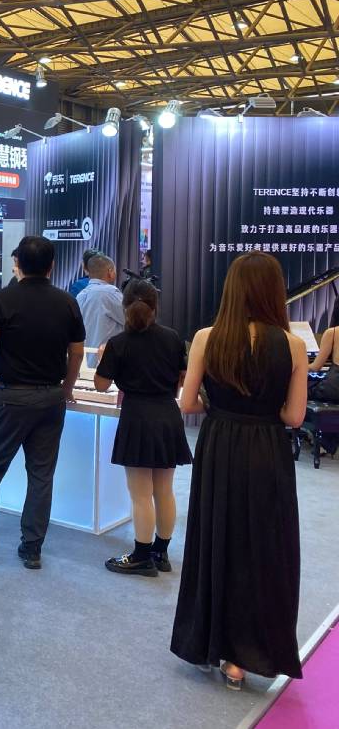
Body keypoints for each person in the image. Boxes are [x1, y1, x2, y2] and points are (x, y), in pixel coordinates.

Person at [171, 252, 308, 688]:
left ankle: (212, 644)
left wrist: (221, 407)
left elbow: (187, 403)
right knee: (264, 546)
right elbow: (294, 417)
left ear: (231, 289)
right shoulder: (292, 345)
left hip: (220, 446)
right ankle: (247, 653)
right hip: (267, 449)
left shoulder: (206, 338)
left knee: (216, 538)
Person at [0, 236, 85, 571]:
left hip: (10, 397)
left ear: (17, 264)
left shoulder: (2, 299)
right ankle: (31, 548)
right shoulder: (67, 302)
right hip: (51, 398)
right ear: (51, 265)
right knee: (41, 475)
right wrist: (67, 388)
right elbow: (76, 353)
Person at [92, 280, 190, 577]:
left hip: (136, 417)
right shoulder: (173, 338)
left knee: (140, 494)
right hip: (168, 415)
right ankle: (161, 552)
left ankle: (141, 555)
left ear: (124, 307)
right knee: (164, 490)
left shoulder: (118, 343)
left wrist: (103, 359)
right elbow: (182, 377)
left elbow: (101, 384)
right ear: (155, 306)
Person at [77, 253, 125, 363]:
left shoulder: (80, 295)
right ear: (110, 272)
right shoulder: (111, 293)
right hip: (106, 361)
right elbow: (130, 319)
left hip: (84, 363)